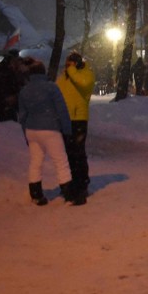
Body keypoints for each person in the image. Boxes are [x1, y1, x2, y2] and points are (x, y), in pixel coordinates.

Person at [17, 59, 85, 206]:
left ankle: (36, 194)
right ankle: (70, 195)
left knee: (35, 162)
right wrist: (67, 131)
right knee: (61, 161)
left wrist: (26, 135)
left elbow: (22, 116)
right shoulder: (51, 88)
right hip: (50, 129)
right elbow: (62, 111)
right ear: (43, 71)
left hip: (31, 130)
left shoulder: (25, 90)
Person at [56, 51, 96, 200]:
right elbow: (57, 90)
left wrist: (71, 70)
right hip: (65, 118)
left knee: (78, 153)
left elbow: (84, 84)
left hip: (79, 117)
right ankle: (70, 183)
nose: (68, 67)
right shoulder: (65, 77)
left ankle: (82, 184)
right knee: (68, 153)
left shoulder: (86, 74)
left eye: (70, 64)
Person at [0, 49, 26, 121]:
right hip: (4, 102)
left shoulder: (4, 69)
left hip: (4, 102)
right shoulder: (4, 71)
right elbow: (0, 86)